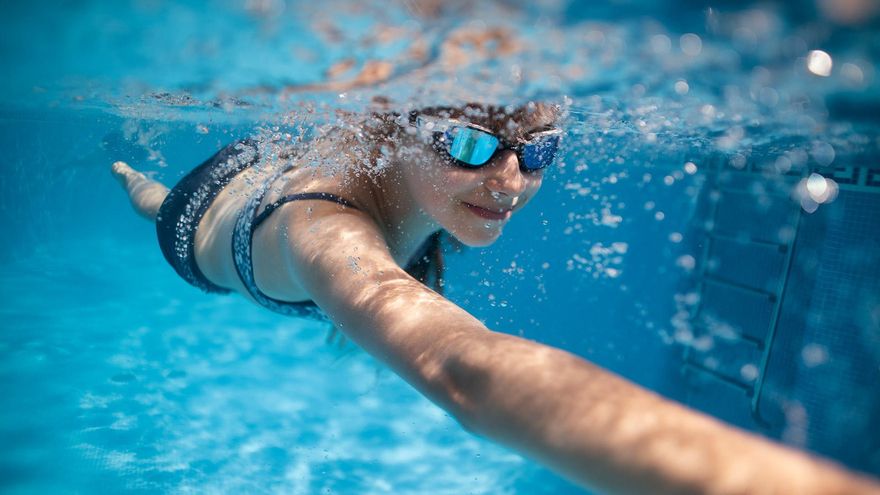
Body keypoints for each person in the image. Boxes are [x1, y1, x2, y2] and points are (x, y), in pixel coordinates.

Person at [112, 102, 880, 495]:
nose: (510, 181)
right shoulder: (321, 232)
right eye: (471, 143)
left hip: (313, 168)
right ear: (400, 126)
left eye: (537, 150)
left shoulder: (428, 174)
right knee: (157, 205)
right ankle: (134, 177)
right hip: (207, 208)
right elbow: (465, 370)